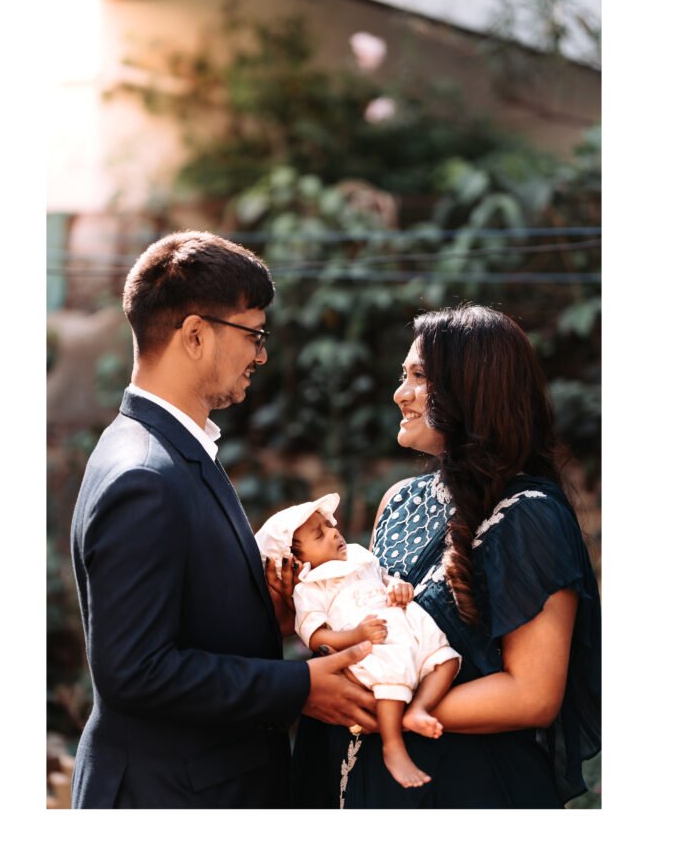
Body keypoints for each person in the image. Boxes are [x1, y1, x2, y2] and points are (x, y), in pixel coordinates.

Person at [69, 230, 376, 809]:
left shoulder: (167, 449)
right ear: (194, 335)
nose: (260, 355)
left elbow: (177, 622)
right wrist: (300, 685)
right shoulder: (144, 474)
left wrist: (271, 615)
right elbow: (134, 670)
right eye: (253, 334)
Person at [291, 303, 601, 808]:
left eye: (419, 376)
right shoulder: (399, 500)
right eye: (403, 374)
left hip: (461, 783)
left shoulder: (530, 515)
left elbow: (534, 694)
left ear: (471, 388)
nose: (400, 393)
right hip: (351, 772)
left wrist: (376, 704)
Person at [255, 493, 460, 788]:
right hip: (372, 644)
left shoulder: (359, 557)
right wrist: (357, 636)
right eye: (319, 534)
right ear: (296, 561)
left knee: (446, 659)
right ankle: (393, 746)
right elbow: (315, 636)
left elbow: (384, 578)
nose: (334, 532)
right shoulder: (310, 588)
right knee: (390, 675)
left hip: (406, 624)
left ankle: (419, 708)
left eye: (329, 524)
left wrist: (398, 587)